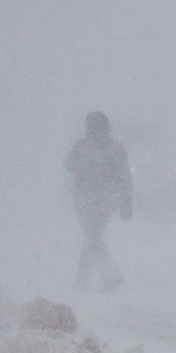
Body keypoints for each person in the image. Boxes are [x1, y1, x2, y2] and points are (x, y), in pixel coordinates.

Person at [65, 111, 133, 290]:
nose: (93, 131)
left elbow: (125, 177)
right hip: (83, 201)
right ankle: (82, 280)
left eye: (96, 127)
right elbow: (68, 165)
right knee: (92, 239)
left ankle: (110, 277)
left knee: (93, 238)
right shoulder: (81, 146)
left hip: (104, 202)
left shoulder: (115, 149)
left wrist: (126, 203)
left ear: (105, 128)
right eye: (90, 127)